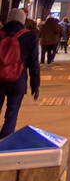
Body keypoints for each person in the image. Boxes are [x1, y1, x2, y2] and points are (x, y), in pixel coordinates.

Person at [0, 7, 40, 139]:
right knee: (12, 113)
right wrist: (35, 85)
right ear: (23, 20)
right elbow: (34, 64)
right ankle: (4, 141)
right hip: (18, 80)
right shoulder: (30, 36)